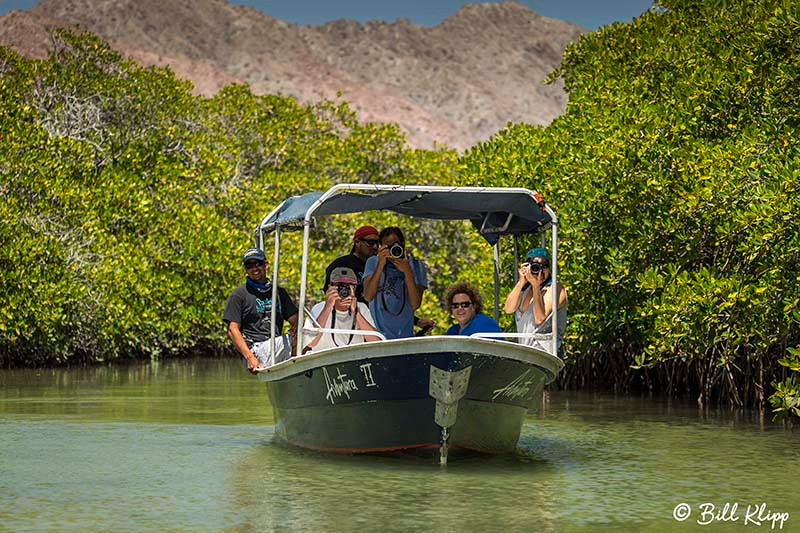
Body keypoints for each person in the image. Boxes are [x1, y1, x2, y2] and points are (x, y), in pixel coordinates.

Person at [223, 247, 299, 373]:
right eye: (249, 265)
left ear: (266, 265)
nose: (254, 269)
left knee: (307, 335)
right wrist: (250, 357)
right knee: (294, 341)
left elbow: (294, 318)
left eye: (258, 264)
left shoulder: (279, 292)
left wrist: (295, 330)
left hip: (274, 346)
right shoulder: (238, 294)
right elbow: (232, 330)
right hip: (254, 349)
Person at [362, 227, 428, 339]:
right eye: (388, 246)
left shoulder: (415, 265)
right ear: (381, 247)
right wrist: (380, 265)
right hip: (378, 336)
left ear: (403, 244)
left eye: (396, 244)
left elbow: (415, 304)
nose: (393, 248)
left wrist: (407, 271)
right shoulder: (373, 262)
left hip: (405, 336)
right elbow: (368, 296)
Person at [503, 247, 567, 353]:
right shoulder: (525, 288)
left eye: (544, 265)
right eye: (535, 265)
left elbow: (539, 318)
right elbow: (508, 309)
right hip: (526, 351)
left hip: (546, 352)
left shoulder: (555, 288)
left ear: (549, 269)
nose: (539, 270)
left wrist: (536, 287)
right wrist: (521, 282)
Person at [303, 267, 380, 352]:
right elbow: (310, 343)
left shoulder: (361, 308)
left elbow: (376, 342)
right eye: (340, 286)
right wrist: (328, 307)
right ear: (330, 287)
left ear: (354, 288)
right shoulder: (319, 308)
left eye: (349, 286)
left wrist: (356, 313)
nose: (344, 290)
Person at [323, 225, 380, 303]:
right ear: (357, 242)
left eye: (378, 243)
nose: (375, 247)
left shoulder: (380, 265)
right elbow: (329, 291)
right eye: (370, 242)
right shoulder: (341, 264)